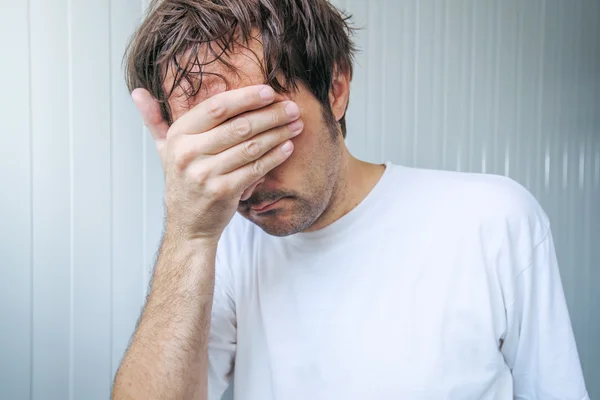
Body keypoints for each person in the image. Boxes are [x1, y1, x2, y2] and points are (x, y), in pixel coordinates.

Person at [112, 1, 589, 399]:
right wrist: (189, 233)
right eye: (217, 146)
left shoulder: (492, 221)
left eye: (258, 130)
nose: (244, 181)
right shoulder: (224, 249)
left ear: (335, 89)